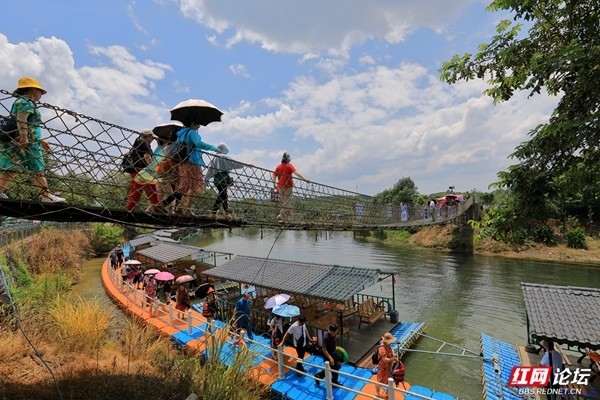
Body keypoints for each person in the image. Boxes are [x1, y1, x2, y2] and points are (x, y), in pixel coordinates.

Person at [0, 77, 66, 203]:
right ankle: (46, 195)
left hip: (23, 141)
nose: (41, 94)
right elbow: (21, 120)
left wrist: (40, 140)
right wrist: (24, 138)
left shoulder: (24, 102)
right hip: (25, 143)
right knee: (37, 168)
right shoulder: (24, 102)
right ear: (33, 89)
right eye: (40, 91)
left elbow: (29, 124)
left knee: (12, 168)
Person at [171, 117, 220, 215]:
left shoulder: (181, 133)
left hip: (182, 161)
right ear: (193, 123)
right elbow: (199, 143)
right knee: (193, 185)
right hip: (192, 161)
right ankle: (187, 208)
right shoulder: (192, 132)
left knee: (186, 185)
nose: (199, 125)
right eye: (198, 123)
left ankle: (180, 206)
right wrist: (214, 148)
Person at [204, 143, 246, 220]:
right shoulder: (222, 156)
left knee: (223, 195)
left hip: (218, 179)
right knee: (223, 195)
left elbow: (210, 170)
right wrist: (245, 165)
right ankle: (221, 213)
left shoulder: (215, 158)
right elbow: (234, 163)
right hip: (222, 179)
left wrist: (206, 179)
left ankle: (223, 213)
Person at [125, 129, 160, 212]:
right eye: (152, 138)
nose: (152, 141)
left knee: (142, 188)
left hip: (136, 168)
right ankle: (130, 208)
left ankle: (156, 207)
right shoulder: (144, 143)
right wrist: (153, 168)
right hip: (141, 169)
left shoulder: (137, 141)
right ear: (148, 137)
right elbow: (147, 157)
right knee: (146, 188)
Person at [272, 152, 308, 221]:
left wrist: (274, 184)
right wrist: (304, 179)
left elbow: (274, 175)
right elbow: (296, 173)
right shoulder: (289, 166)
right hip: (288, 186)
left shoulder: (278, 166)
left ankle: (287, 217)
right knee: (286, 202)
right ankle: (281, 215)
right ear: (288, 159)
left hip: (280, 186)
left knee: (284, 202)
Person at [376, 332, 399, 399]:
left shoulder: (388, 345)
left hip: (389, 367)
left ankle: (387, 394)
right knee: (380, 381)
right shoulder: (382, 348)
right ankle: (377, 393)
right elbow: (385, 359)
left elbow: (390, 354)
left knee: (390, 381)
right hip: (383, 368)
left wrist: (393, 356)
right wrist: (393, 359)